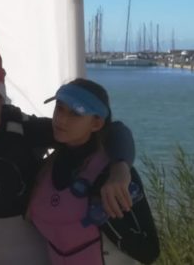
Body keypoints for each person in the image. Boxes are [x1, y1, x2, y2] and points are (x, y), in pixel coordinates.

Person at [0, 11, 137, 265]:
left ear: (1, 98)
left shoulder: (26, 130)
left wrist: (120, 168)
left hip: (31, 256)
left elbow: (114, 130)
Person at [28, 78, 160, 264]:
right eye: (59, 108)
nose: (61, 119)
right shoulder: (47, 166)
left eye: (75, 113)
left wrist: (108, 219)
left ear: (96, 123)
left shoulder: (111, 175)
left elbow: (149, 251)